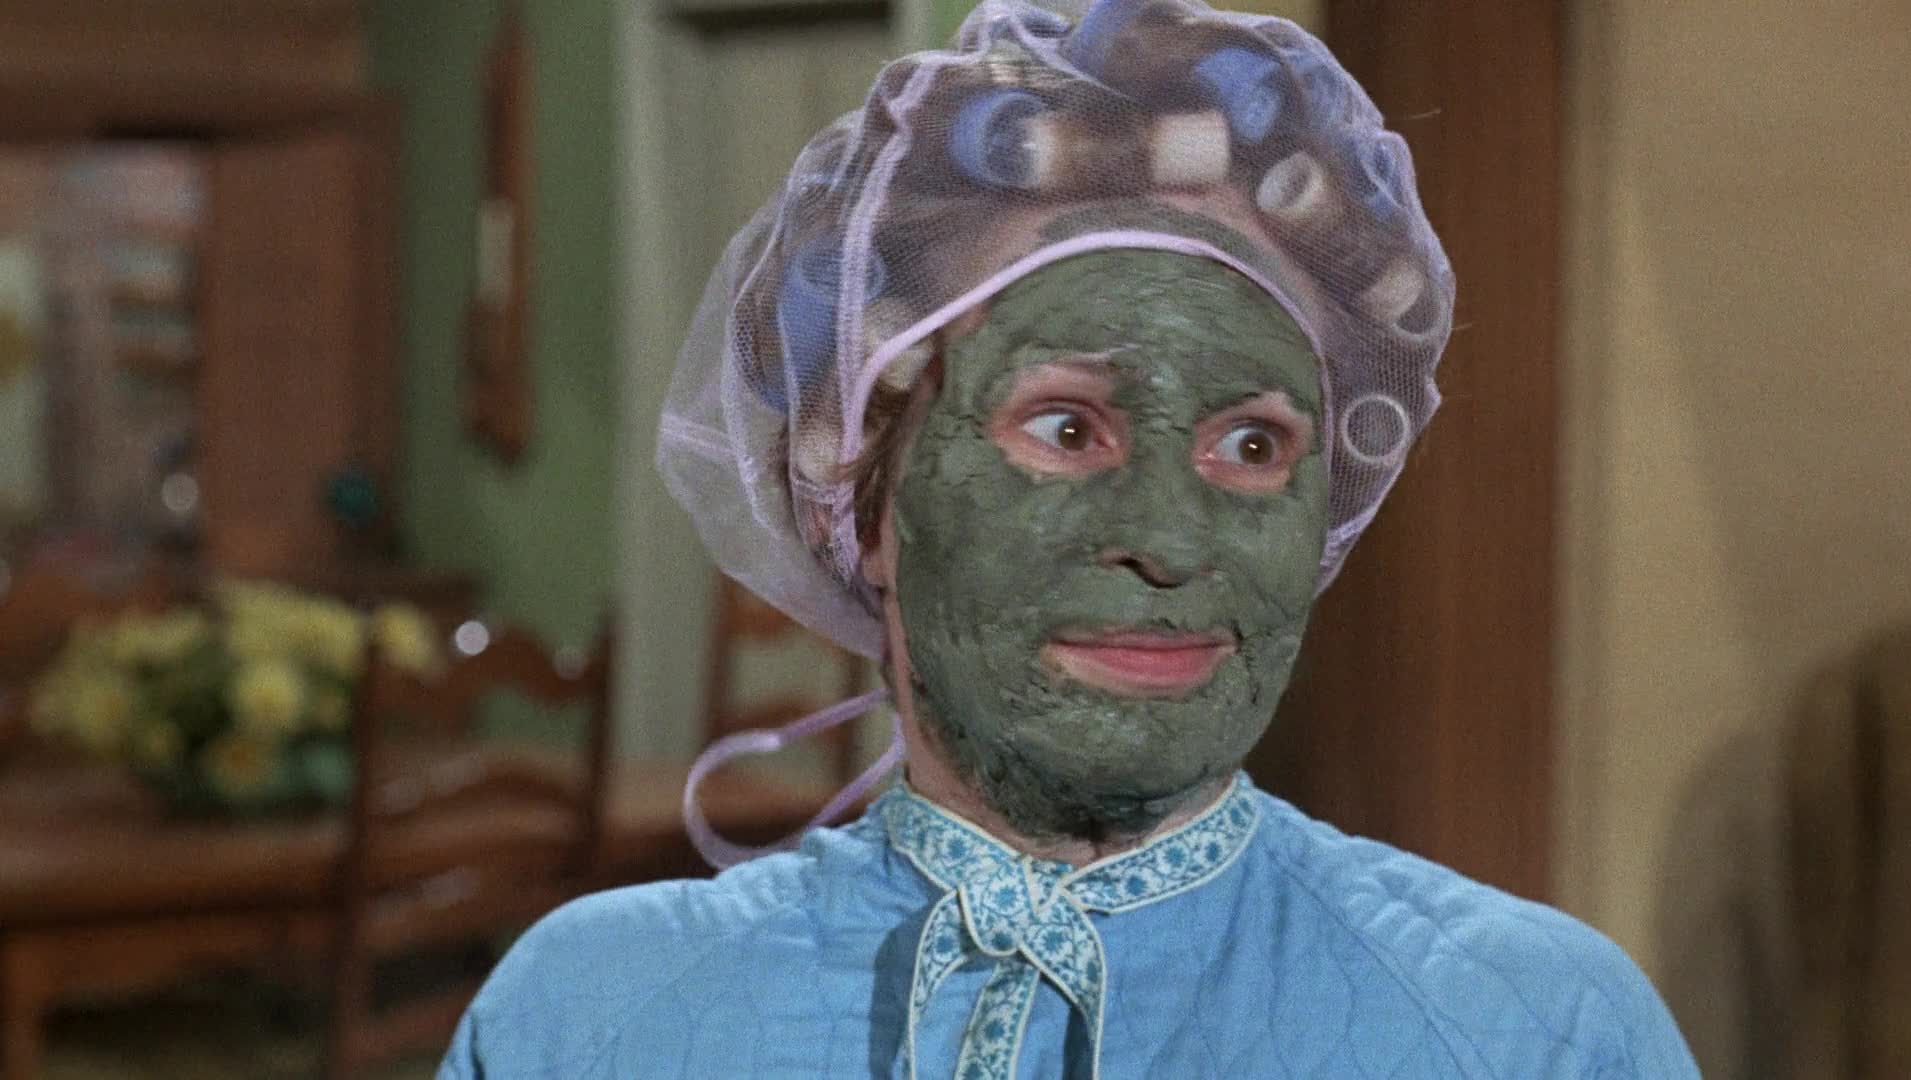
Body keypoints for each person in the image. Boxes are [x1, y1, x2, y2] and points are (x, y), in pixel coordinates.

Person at [440, 0, 1700, 1075]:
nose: (1169, 541)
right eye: (1065, 428)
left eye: (1252, 445)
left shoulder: (1532, 1030)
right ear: (861, 493)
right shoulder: (592, 1021)